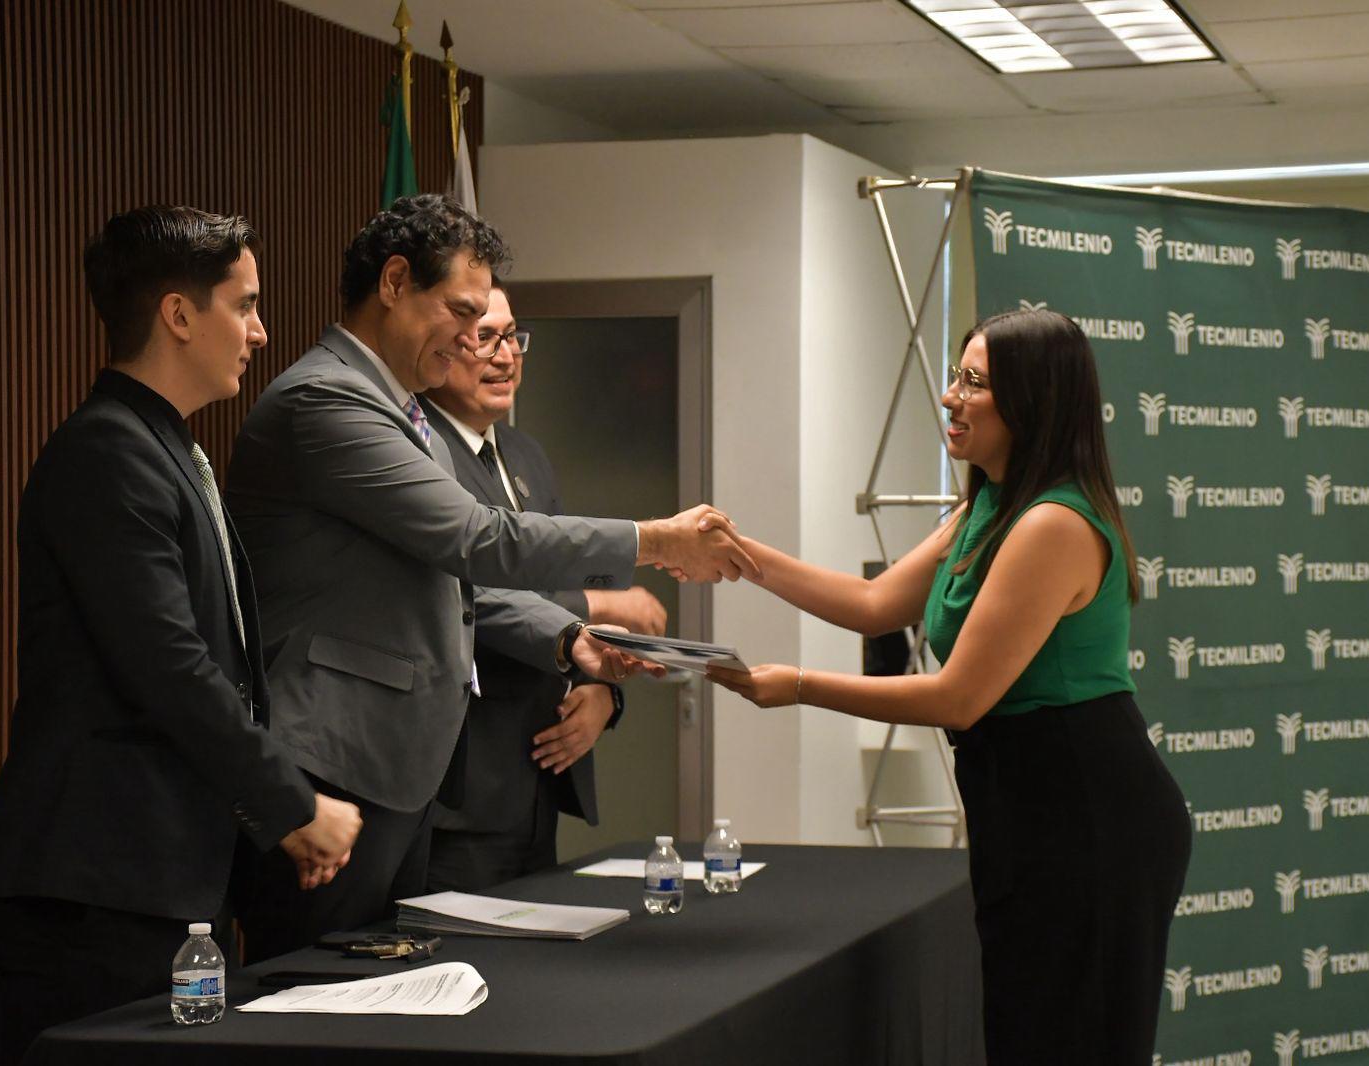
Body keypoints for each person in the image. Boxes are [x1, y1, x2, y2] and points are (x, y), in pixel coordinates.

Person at [226, 194, 752, 960]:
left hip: (396, 773)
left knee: (384, 1000)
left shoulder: (395, 406)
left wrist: (570, 637)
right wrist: (655, 538)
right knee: (316, 1001)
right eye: (463, 311)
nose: (475, 338)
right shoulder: (328, 398)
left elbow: (454, 576)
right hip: (332, 765)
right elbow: (476, 538)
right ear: (397, 282)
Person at [707, 308, 1191, 1065]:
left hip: (1089, 816)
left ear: (1032, 403)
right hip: (1025, 804)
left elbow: (958, 698)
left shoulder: (1051, 525)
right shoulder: (987, 505)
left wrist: (797, 685)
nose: (949, 397)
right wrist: (741, 555)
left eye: (975, 383)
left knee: (1067, 1040)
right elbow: (874, 604)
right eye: (955, 376)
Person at [0, 206, 362, 1064]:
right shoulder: (107, 453)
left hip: (159, 878)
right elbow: (170, 667)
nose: (261, 330)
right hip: (92, 888)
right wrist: (290, 803)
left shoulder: (167, 446)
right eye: (245, 304)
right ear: (180, 316)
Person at [420, 281, 669, 891]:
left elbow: (553, 592)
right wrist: (604, 602)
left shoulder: (525, 455)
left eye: (513, 337)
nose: (505, 356)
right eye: (485, 338)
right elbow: (463, 592)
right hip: (459, 790)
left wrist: (602, 693)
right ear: (443, 344)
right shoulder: (416, 449)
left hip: (537, 777)